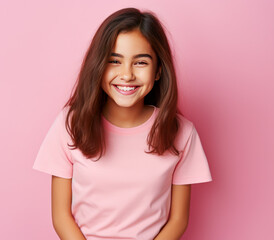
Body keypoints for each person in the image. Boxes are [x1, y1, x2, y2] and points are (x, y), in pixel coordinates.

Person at [33, 7, 212, 240]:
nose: (126, 75)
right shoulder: (70, 124)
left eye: (140, 63)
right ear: (99, 66)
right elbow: (61, 216)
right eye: (114, 61)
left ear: (158, 70)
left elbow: (178, 220)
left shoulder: (182, 133)